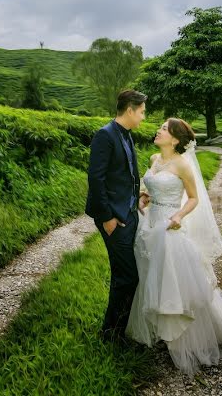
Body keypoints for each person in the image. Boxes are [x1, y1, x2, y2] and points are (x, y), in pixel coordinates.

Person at [127, 118, 222, 374]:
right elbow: (153, 188)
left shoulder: (183, 164)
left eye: (163, 129)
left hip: (169, 226)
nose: (158, 131)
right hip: (150, 224)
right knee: (151, 276)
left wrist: (179, 216)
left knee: (173, 281)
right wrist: (145, 198)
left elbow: (192, 198)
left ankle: (180, 339)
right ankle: (159, 328)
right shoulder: (153, 159)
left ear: (176, 139)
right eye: (159, 128)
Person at [86, 89, 147, 341]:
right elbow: (96, 179)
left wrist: (138, 195)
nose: (144, 117)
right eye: (142, 111)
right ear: (130, 109)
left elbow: (127, 173)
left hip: (129, 213)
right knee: (127, 277)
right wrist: (107, 218)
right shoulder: (105, 135)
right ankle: (111, 335)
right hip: (113, 218)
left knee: (126, 274)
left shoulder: (127, 135)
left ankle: (119, 329)